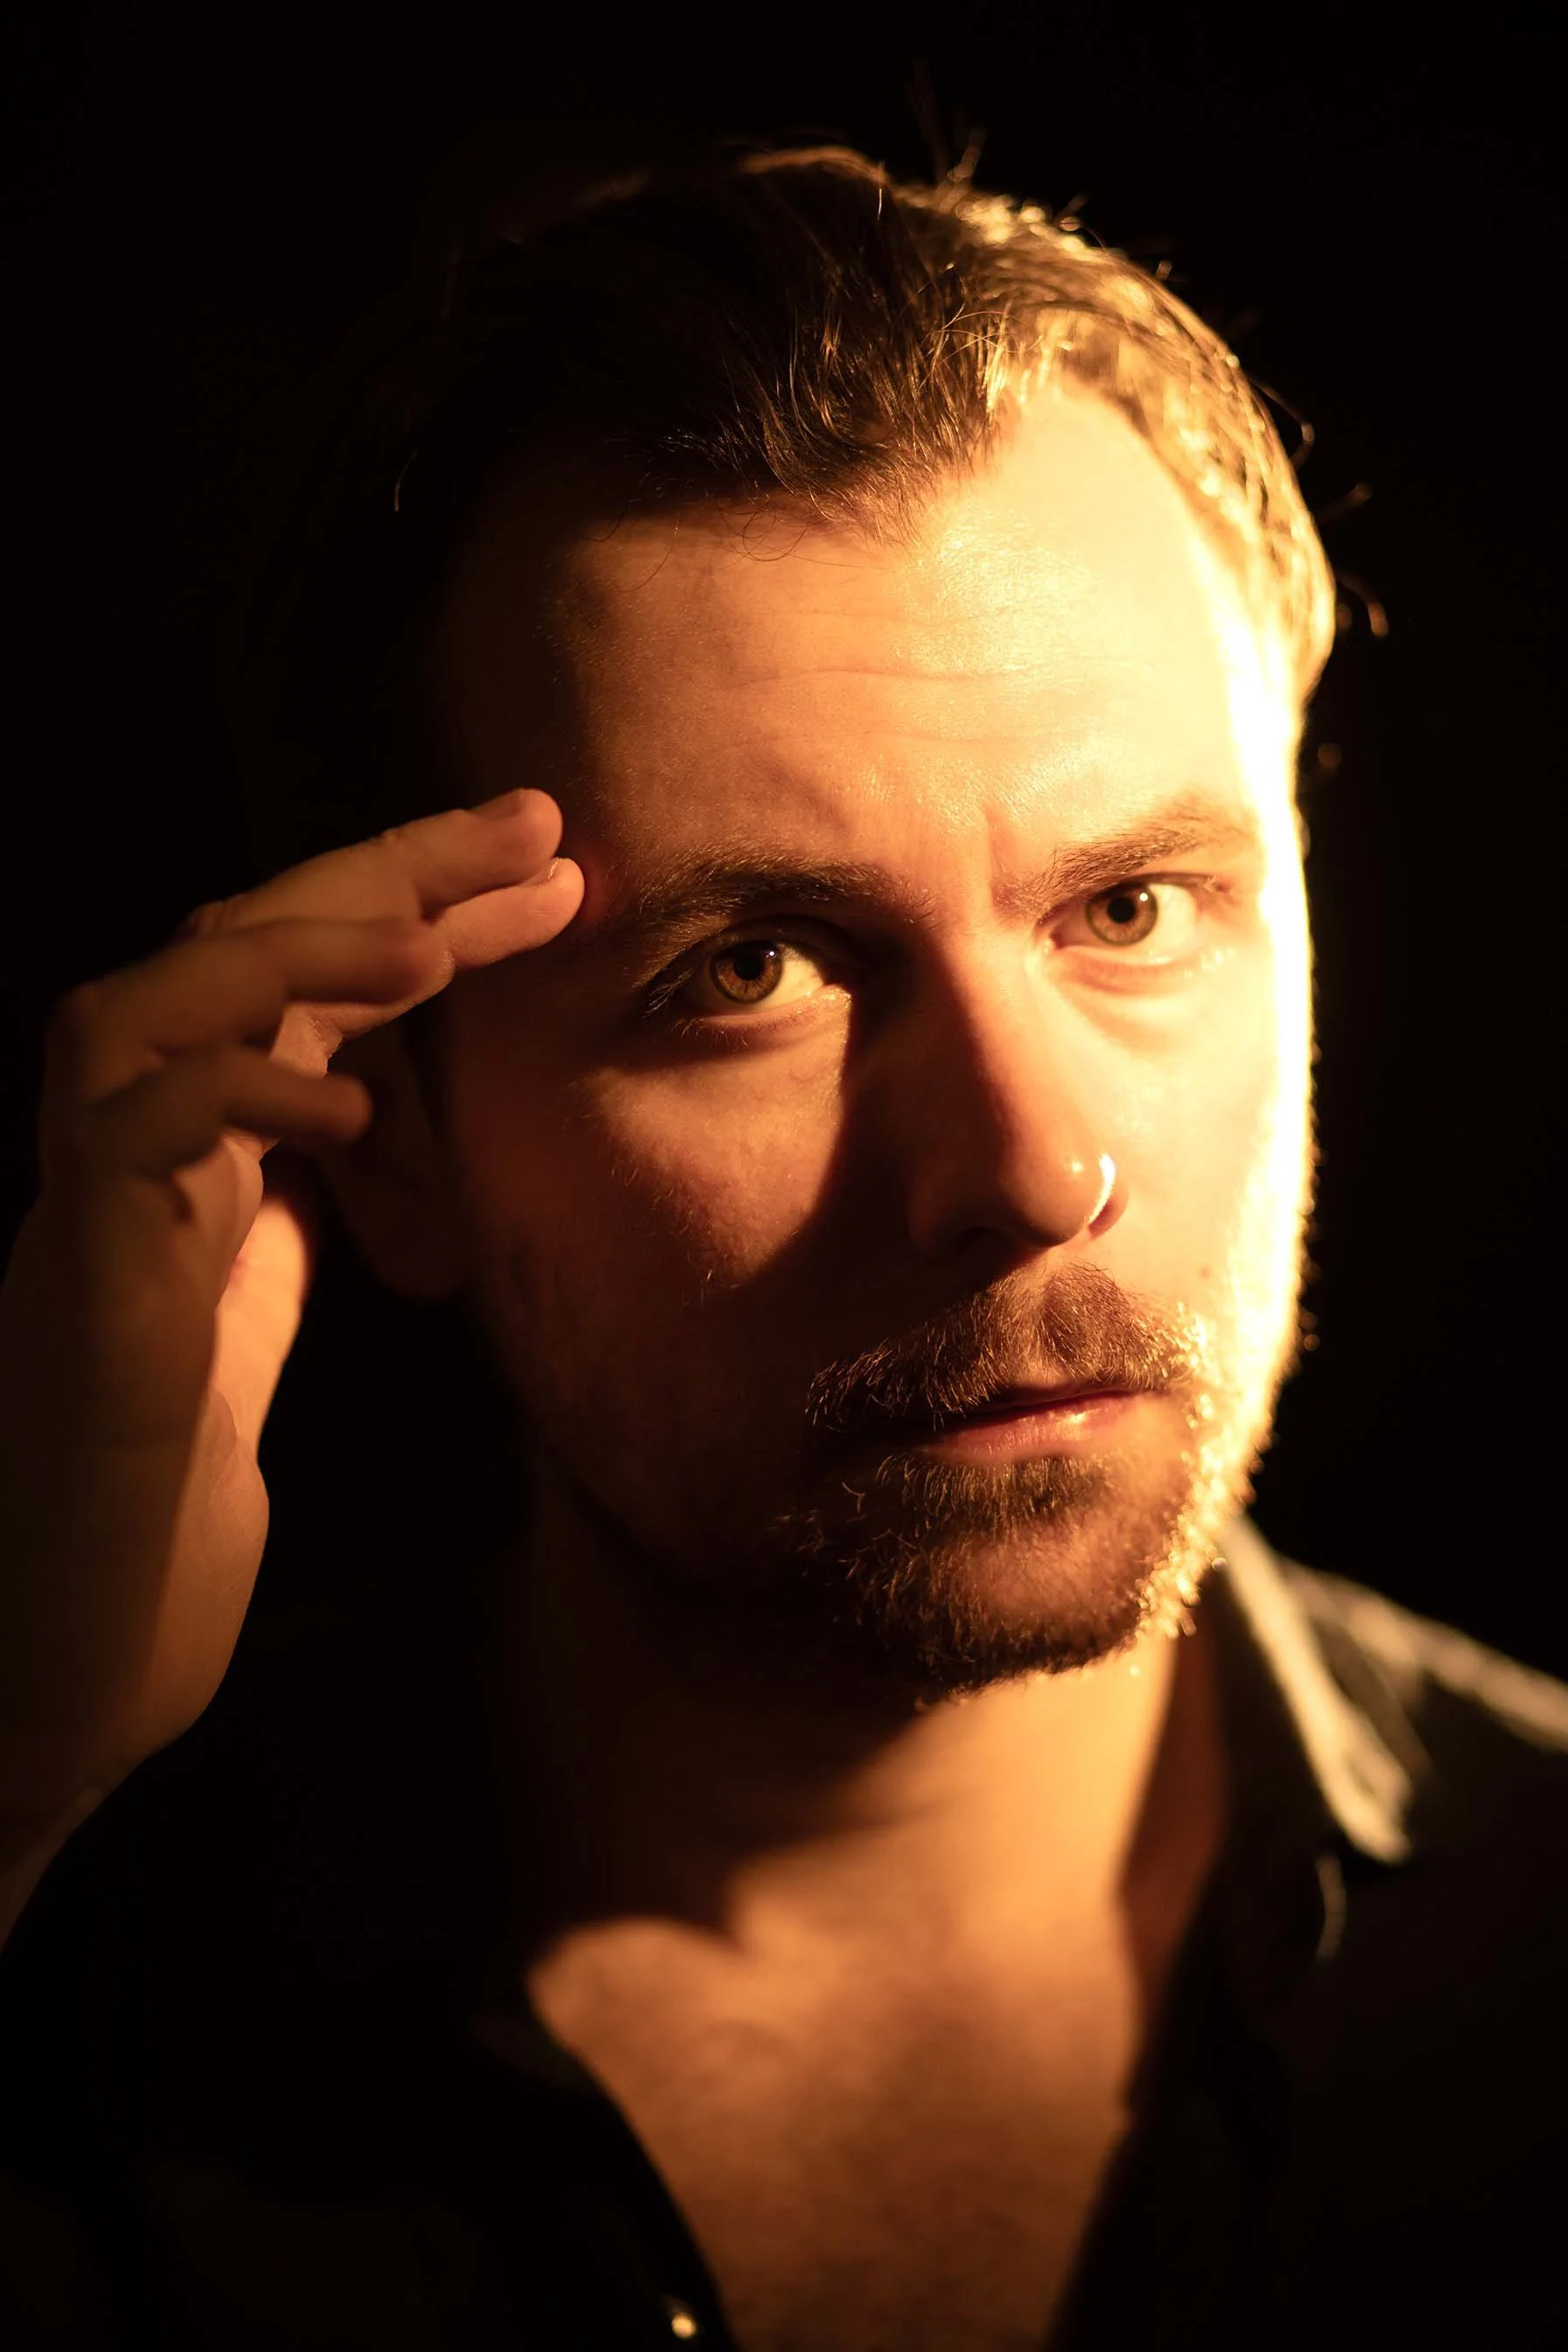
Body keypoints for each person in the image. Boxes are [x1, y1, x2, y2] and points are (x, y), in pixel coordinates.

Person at [1, 138, 1564, 2352]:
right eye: (750, 970)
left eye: (1127, 909)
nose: (1026, 1173)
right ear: (384, 1146)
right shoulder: (74, 2012)